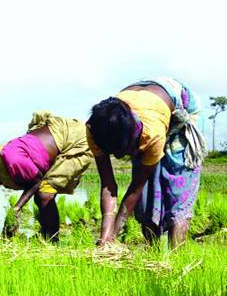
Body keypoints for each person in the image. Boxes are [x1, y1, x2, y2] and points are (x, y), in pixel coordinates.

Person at [86, 77, 207, 248]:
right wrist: (106, 237)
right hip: (143, 107)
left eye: (121, 151)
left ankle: (176, 261)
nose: (119, 158)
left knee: (177, 196)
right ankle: (153, 254)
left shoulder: (151, 134)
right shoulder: (96, 129)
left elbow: (135, 188)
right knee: (146, 203)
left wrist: (114, 233)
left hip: (178, 109)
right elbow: (108, 185)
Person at [0, 111, 93, 241]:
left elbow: (38, 181)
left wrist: (15, 209)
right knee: (42, 197)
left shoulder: (11, 157)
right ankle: (47, 237)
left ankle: (52, 242)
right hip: (50, 152)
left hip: (73, 140)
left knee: (44, 194)